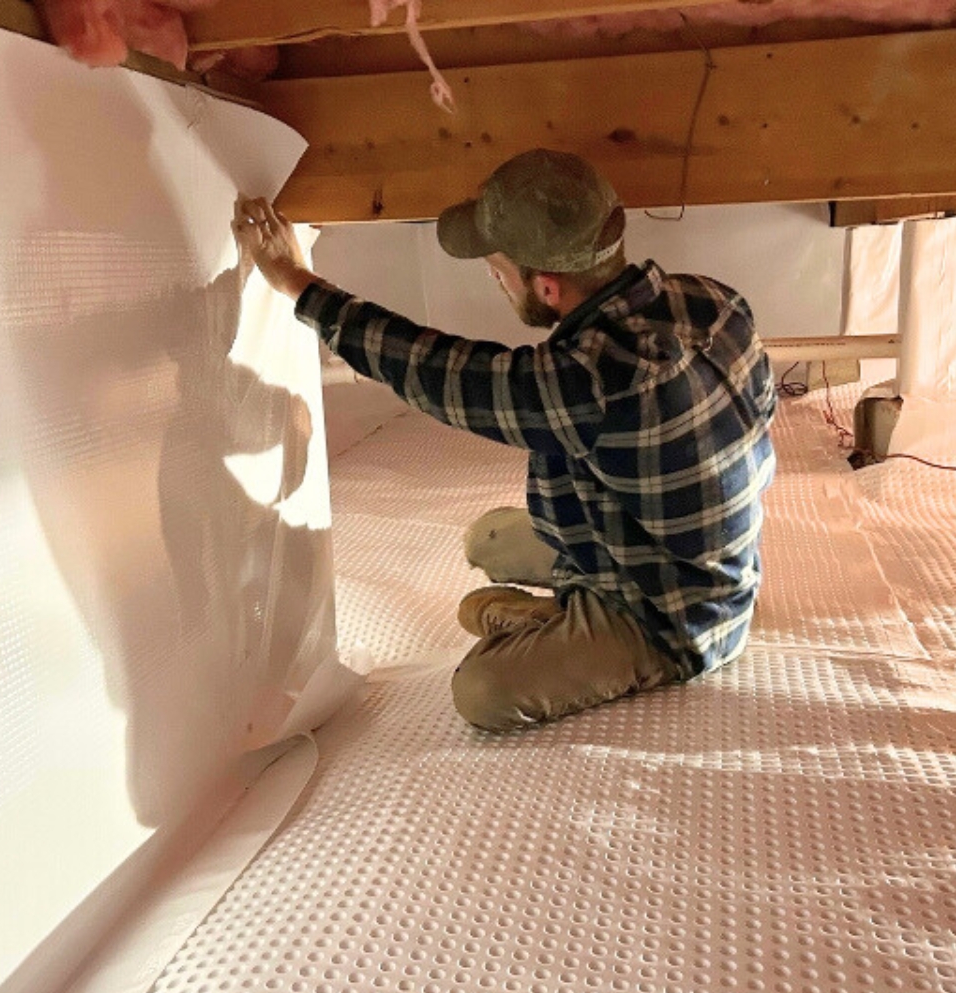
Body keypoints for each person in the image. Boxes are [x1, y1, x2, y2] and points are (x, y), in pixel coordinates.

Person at [233, 149, 776, 733]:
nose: (492, 277)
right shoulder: (712, 301)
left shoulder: (590, 383)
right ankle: (570, 609)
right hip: (676, 551)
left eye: (496, 268)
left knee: (482, 691)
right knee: (486, 541)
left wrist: (296, 281)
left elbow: (438, 372)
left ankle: (575, 624)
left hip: (670, 617)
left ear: (545, 287)